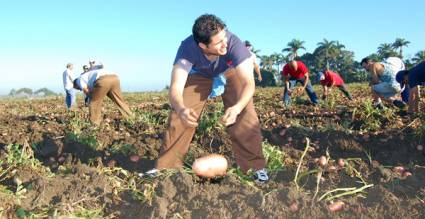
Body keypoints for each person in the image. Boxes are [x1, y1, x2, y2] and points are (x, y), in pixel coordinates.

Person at [147, 14, 268, 182]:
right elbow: (175, 88)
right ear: (203, 45)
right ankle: (166, 168)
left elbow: (249, 84)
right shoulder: (187, 49)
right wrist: (181, 108)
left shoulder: (234, 44)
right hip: (199, 73)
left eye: (224, 37)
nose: (225, 43)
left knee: (245, 113)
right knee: (181, 115)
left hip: (229, 70)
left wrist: (237, 107)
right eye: (218, 42)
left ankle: (255, 168)